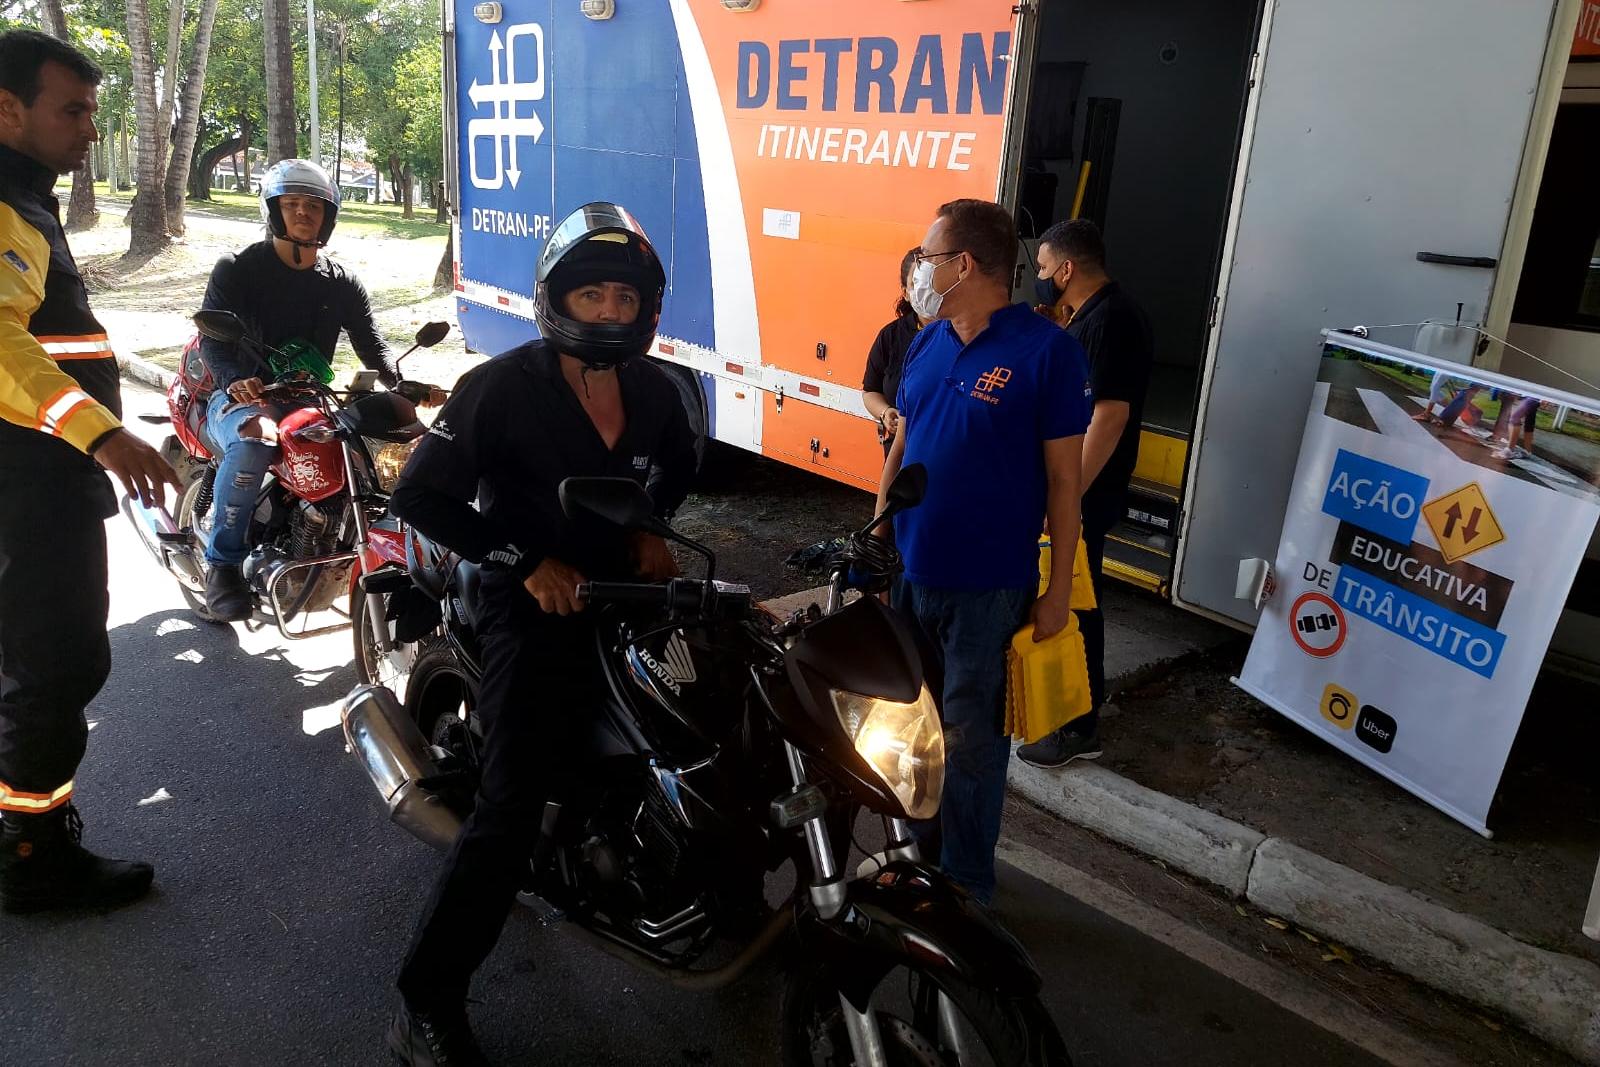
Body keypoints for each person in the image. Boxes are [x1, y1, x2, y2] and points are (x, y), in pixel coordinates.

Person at [383, 202, 698, 1066]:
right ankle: (427, 1002)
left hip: (624, 593)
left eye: (622, 298)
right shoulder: (501, 385)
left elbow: (675, 469)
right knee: (510, 807)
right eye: (590, 293)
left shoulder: (659, 391)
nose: (607, 310)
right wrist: (524, 561)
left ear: (646, 309)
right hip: (527, 601)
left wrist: (652, 529)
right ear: (556, 297)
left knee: (700, 730)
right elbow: (419, 495)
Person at [0, 30, 180, 913]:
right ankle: (34, 857)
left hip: (34, 476)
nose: (87, 128)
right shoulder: (5, 203)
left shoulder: (24, 200)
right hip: (31, 483)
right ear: (9, 109)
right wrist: (104, 433)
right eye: (71, 110)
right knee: (56, 668)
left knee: (28, 665)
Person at [878, 199, 1091, 905]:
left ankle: (965, 884)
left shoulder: (1046, 352)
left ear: (962, 265)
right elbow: (904, 443)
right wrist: (876, 535)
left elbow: (1065, 481)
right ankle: (918, 858)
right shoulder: (926, 342)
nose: (918, 271)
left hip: (987, 591)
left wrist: (1058, 589)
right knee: (912, 731)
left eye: (926, 257)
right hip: (911, 575)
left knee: (971, 742)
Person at [196, 158, 440, 621]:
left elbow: (372, 344)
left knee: (375, 446)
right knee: (254, 440)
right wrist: (235, 382)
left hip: (306, 398)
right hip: (240, 399)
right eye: (292, 204)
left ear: (328, 216)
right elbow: (214, 340)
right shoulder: (238, 269)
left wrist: (401, 382)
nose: (303, 213)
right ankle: (222, 565)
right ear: (274, 211)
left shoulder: (341, 281)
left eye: (313, 205)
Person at [1018, 220, 1153, 769]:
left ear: (1068, 268)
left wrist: (1066, 496)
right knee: (1076, 597)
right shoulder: (1094, 316)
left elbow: (1110, 415)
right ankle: (1074, 704)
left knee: (1075, 603)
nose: (1043, 279)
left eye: (1045, 269)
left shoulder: (1111, 321)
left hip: (1085, 492)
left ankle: (1079, 725)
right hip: (1080, 489)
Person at [861, 247, 924, 454]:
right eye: (916, 284)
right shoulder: (891, 336)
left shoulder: (958, 335)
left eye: (929, 280)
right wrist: (885, 412)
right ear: (905, 292)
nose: (925, 289)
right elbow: (870, 390)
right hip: (899, 452)